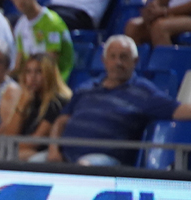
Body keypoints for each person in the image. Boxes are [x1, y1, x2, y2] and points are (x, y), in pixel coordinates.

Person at [47, 35, 191, 167]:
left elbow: (177, 110)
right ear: (104, 61)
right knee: (31, 162)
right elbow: (61, 121)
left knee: (84, 167)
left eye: (124, 57)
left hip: (105, 160)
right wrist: (53, 151)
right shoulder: (85, 88)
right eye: (113, 57)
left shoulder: (144, 92)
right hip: (64, 156)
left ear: (135, 61)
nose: (118, 62)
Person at [0, 53, 71, 161]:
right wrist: (22, 105)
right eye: (28, 72)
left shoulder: (57, 102)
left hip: (41, 152)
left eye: (39, 72)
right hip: (21, 148)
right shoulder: (29, 98)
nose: (32, 77)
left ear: (49, 74)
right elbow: (9, 135)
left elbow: (36, 142)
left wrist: (8, 147)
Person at [12, 0, 74, 81]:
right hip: (31, 81)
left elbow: (50, 63)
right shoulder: (20, 25)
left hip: (55, 81)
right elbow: (19, 64)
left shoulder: (51, 22)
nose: (20, 1)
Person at [125, 0, 191, 47]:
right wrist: (154, 6)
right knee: (133, 27)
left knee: (160, 27)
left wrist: (164, 12)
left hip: (187, 17)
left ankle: (165, 65)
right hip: (169, 15)